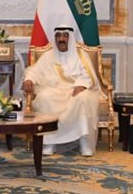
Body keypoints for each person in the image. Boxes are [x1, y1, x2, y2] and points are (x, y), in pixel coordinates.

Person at [22, 25, 101, 156]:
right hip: (56, 90)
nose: (61, 39)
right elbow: (34, 71)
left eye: (65, 36)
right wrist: (29, 79)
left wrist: (82, 84)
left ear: (71, 38)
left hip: (76, 89)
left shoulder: (81, 55)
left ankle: (84, 141)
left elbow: (89, 76)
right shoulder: (49, 55)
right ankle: (50, 142)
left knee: (83, 98)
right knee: (46, 97)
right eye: (58, 36)